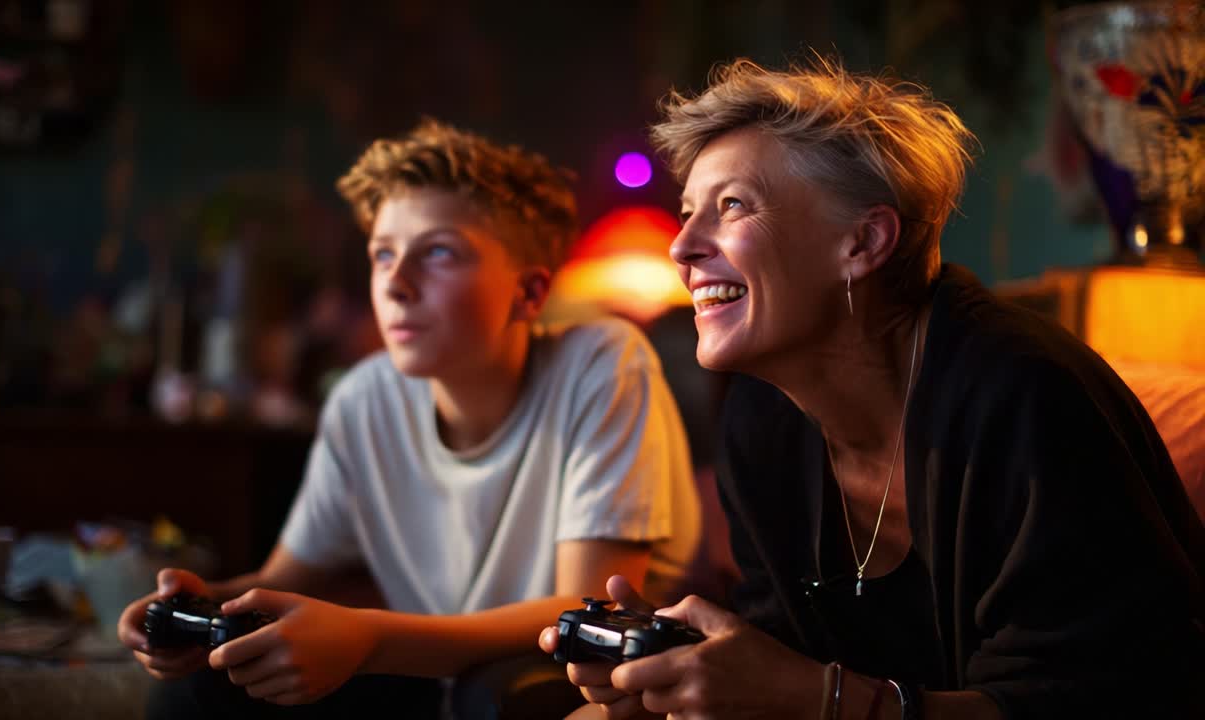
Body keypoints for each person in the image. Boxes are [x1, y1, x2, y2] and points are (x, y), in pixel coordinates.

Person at [541, 57, 1205, 719]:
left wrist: (820, 699)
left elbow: (1084, 702)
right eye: (688, 214)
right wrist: (682, 675)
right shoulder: (760, 411)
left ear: (863, 242)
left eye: (732, 205)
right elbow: (784, 654)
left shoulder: (1026, 395)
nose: (682, 248)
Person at [119, 118, 702, 719]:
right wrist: (202, 606)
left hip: (580, 677)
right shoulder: (364, 398)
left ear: (528, 294)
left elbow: (584, 611)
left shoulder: (601, 363)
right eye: (383, 255)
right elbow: (290, 580)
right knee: (197, 694)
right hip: (434, 669)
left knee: (492, 701)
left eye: (439, 253)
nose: (396, 284)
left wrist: (367, 637)